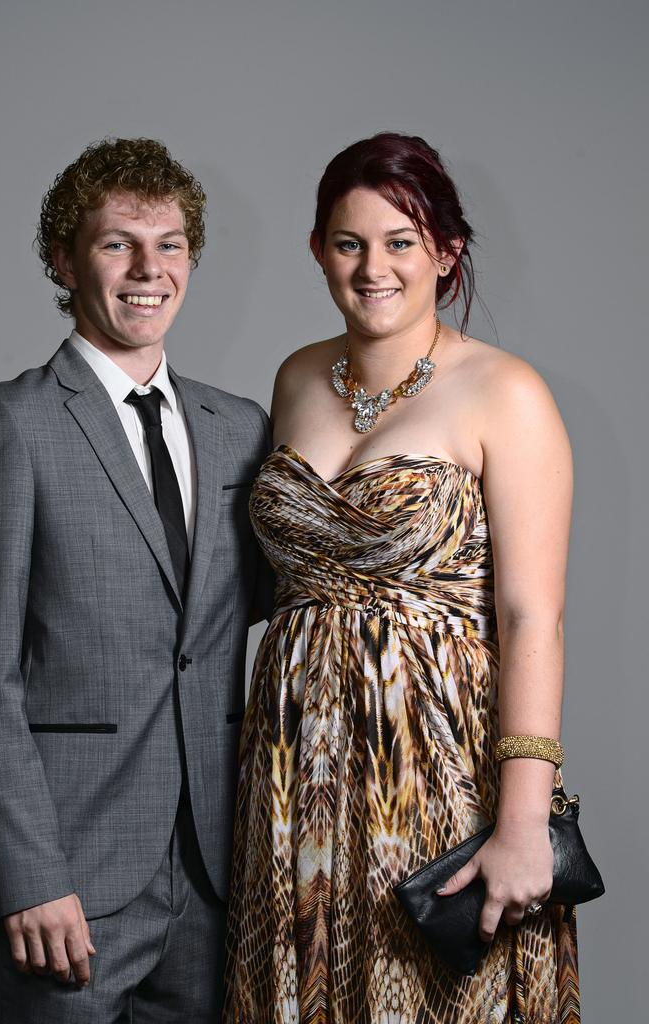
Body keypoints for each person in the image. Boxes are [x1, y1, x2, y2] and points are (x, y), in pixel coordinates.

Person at [225, 133, 580, 1022]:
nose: (372, 267)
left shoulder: (507, 392)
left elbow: (534, 615)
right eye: (349, 244)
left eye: (400, 243)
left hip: (436, 764)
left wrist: (525, 822)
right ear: (319, 251)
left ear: (445, 254)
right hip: (292, 768)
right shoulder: (297, 377)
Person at [0, 137, 271, 1023]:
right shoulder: (10, 426)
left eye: (170, 244)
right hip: (68, 881)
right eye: (119, 242)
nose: (148, 269)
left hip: (219, 872)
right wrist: (28, 872)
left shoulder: (239, 429)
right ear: (64, 258)